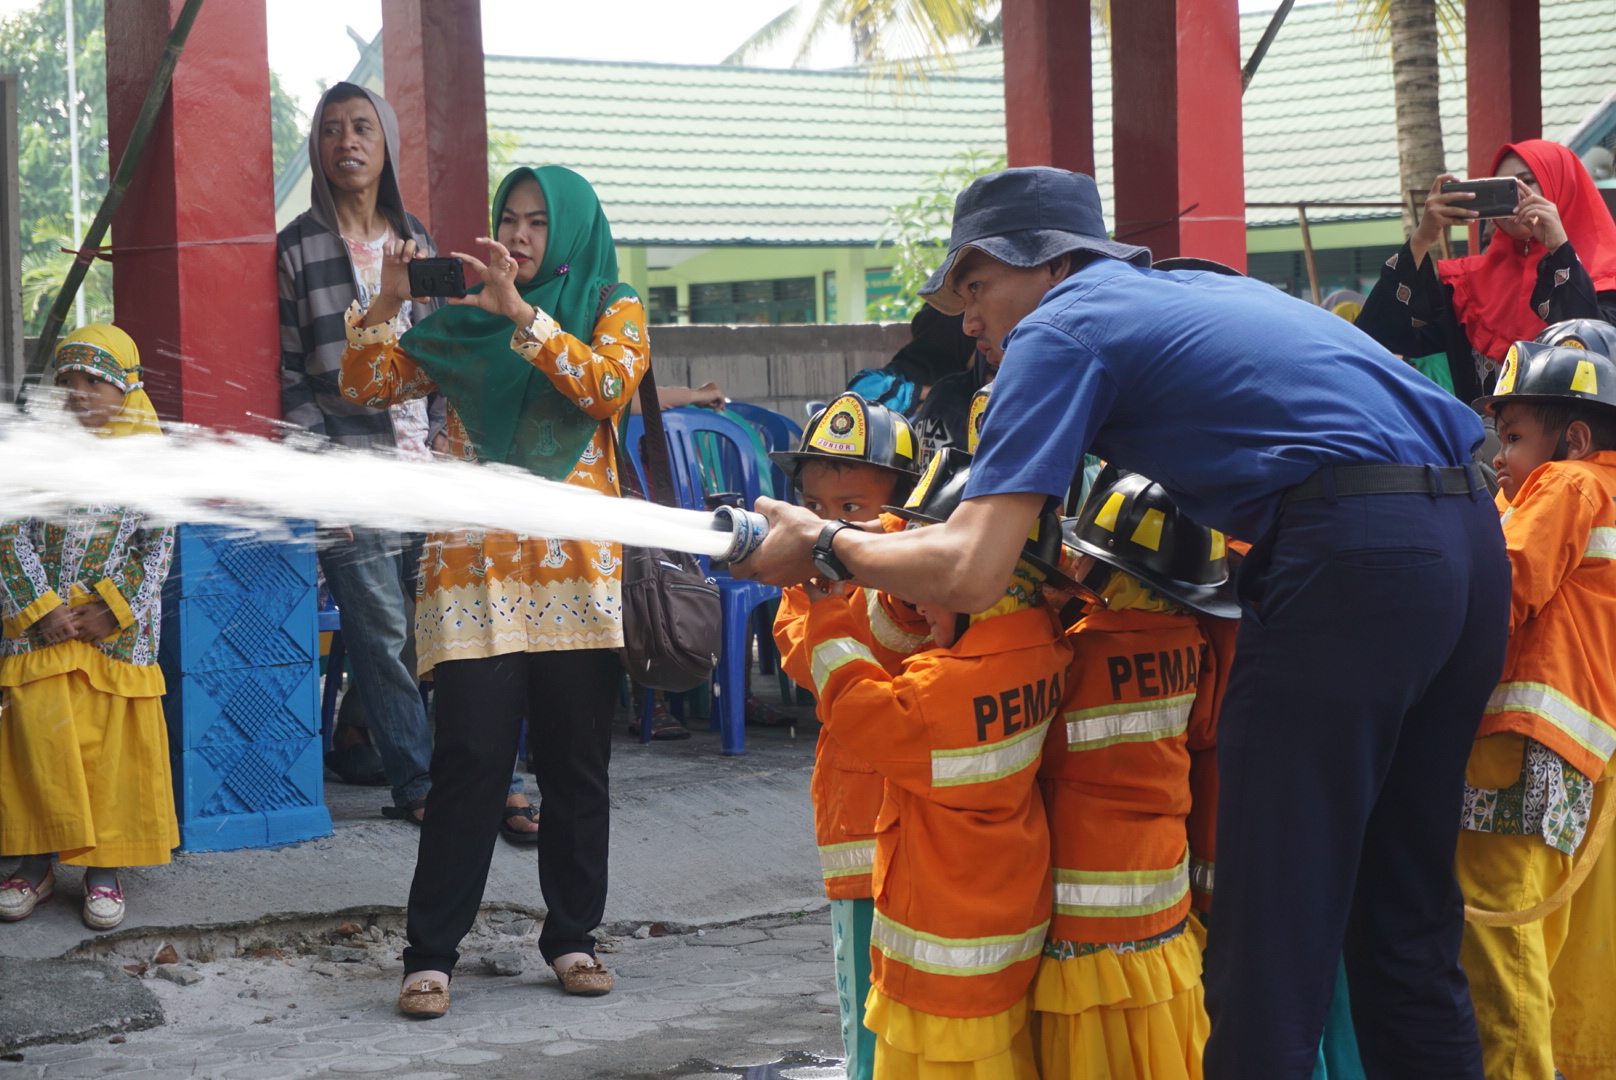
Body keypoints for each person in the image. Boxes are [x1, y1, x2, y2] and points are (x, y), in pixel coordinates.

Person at [732, 166, 1510, 1080]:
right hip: (1466, 543)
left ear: (1048, 265)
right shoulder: (1189, 287)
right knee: (1405, 921)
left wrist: (825, 544)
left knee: (1271, 940)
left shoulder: (1059, 328)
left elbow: (976, 567)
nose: (969, 320)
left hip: (1351, 556)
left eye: (976, 287)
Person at [338, 165, 647, 1016]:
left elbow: (605, 386)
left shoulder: (612, 304)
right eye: (508, 219)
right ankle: (431, 951)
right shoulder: (467, 317)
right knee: (469, 763)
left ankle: (574, 937)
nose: (516, 236)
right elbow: (363, 385)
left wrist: (527, 318)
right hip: (472, 575)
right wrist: (387, 297)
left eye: (537, 223)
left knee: (576, 768)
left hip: (577, 577)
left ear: (572, 232)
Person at [277, 83, 547, 837]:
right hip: (350, 473)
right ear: (317, 150)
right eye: (331, 130)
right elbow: (293, 373)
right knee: (385, 638)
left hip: (424, 468)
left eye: (362, 127)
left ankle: (487, 775)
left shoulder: (414, 236)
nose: (347, 142)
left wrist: (440, 440)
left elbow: (442, 356)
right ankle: (421, 779)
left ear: (386, 142)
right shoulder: (297, 246)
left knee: (453, 631)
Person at [800, 447, 1073, 1079]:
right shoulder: (1048, 646)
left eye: (939, 577)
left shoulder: (939, 689)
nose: (923, 597)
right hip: (1010, 931)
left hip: (938, 960)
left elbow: (853, 702)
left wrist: (822, 606)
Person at [1033, 470, 1236, 1078]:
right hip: (1163, 918)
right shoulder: (1191, 644)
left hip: (1080, 929)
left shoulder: (1073, 653)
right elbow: (1202, 733)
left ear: (1108, 572)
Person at [1454, 336, 1616, 1079]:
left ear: (1576, 438)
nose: (1500, 457)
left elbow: (1501, 587)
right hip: (1582, 757)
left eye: (1513, 436)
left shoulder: (1568, 484)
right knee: (1566, 948)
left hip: (1518, 746)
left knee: (1501, 938)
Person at [0, 326, 177, 931]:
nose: (78, 394)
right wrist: (40, 607)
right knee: (39, 740)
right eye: (67, 382)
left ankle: (106, 866)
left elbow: (157, 544)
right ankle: (33, 859)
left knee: (111, 751)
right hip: (40, 632)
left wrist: (112, 609)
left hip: (114, 637)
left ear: (126, 387)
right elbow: (9, 531)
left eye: (93, 381)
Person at [770, 392, 924, 1080]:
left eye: (853, 509)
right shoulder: (802, 585)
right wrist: (830, 589)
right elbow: (803, 656)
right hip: (857, 836)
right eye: (817, 507)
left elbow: (907, 633)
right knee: (866, 1015)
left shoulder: (918, 576)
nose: (829, 525)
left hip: (924, 837)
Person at [1357, 139, 1616, 403]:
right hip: (1484, 444)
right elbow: (1377, 335)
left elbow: (1594, 352)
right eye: (1502, 187)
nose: (1515, 197)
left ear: (1563, 188)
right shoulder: (1466, 287)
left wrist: (1559, 248)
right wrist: (1423, 236)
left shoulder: (1608, 280)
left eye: (1526, 181)